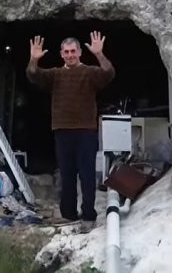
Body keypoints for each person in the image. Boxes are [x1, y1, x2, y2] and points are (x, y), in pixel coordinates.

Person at [26, 31, 115, 233]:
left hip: (86, 131)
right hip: (62, 131)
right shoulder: (56, 74)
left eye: (73, 51)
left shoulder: (90, 72)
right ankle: (69, 215)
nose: (69, 55)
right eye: (66, 52)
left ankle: (88, 216)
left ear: (80, 52)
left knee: (87, 175)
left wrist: (100, 54)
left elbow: (109, 74)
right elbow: (33, 75)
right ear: (61, 54)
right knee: (66, 175)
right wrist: (33, 59)